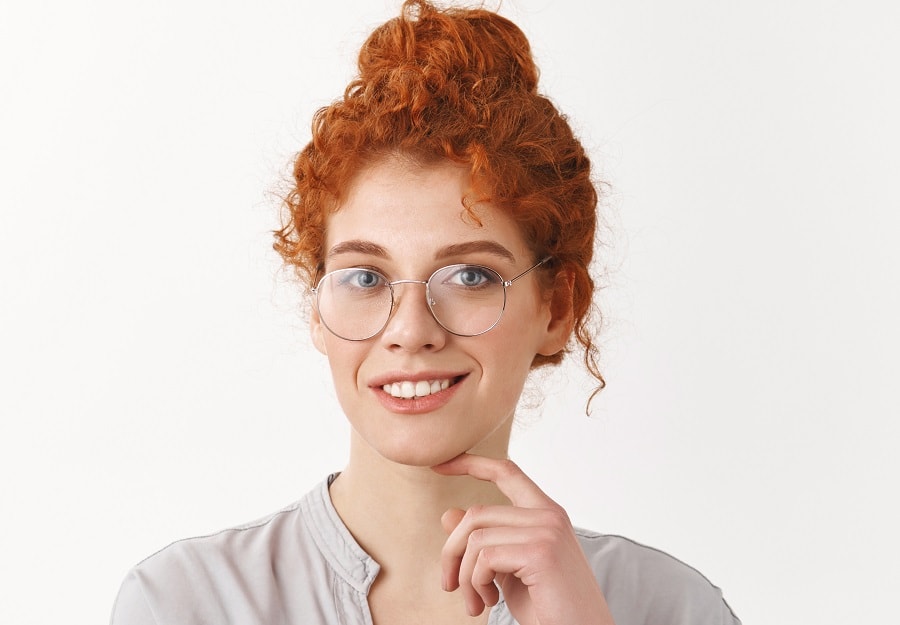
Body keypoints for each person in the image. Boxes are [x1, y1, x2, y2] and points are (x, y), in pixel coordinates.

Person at [110, 2, 740, 624]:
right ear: (317, 310)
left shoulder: (670, 609)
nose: (411, 330)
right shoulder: (183, 604)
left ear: (557, 306)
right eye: (364, 277)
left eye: (470, 276)